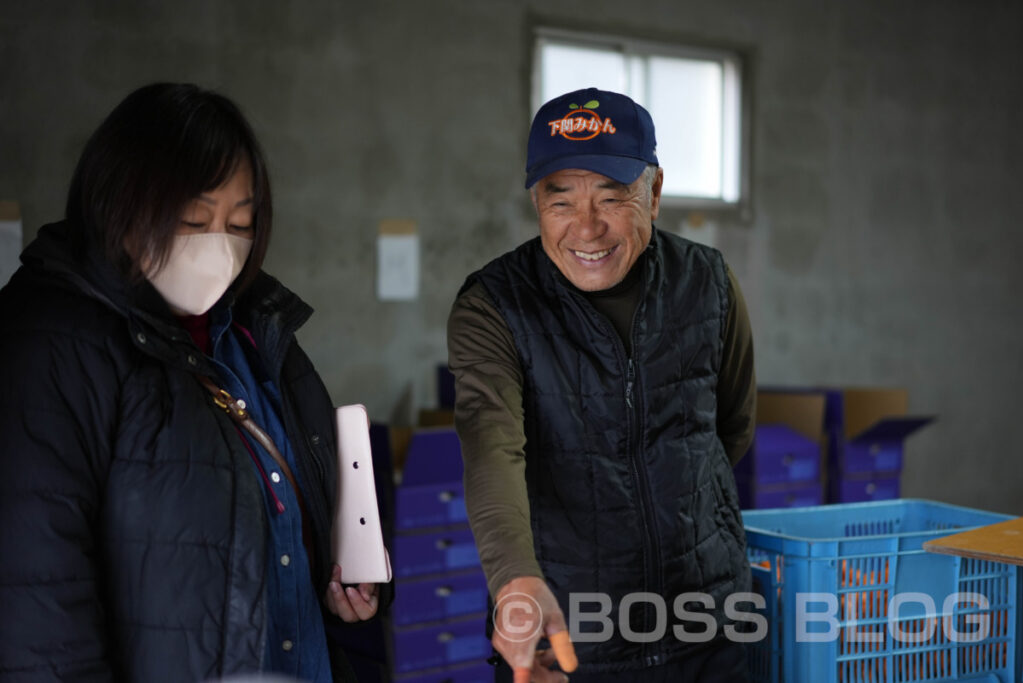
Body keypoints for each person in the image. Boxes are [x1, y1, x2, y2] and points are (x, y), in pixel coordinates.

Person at [0, 83, 387, 682]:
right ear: (119, 204)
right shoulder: (54, 343)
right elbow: (35, 595)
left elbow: (278, 525)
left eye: (240, 222)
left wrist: (335, 586)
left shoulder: (257, 333)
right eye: (192, 220)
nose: (219, 248)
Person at [447, 88, 756, 682]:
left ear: (655, 193)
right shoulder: (495, 306)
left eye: (612, 198)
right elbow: (492, 448)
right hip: (570, 639)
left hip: (710, 627)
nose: (586, 229)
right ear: (537, 201)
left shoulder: (707, 282)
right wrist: (514, 580)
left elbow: (731, 427)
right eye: (560, 202)